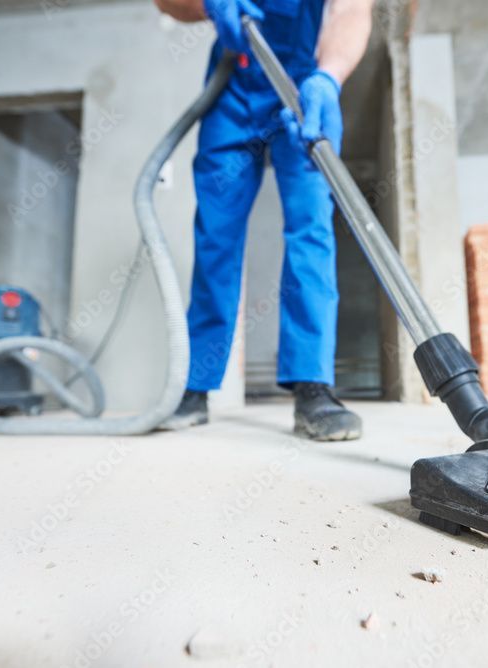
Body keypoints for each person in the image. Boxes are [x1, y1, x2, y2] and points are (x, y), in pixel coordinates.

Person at [154, 0, 374, 440]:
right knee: (216, 234)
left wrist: (329, 77)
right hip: (234, 87)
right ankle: (195, 385)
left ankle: (313, 386)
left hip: (302, 86)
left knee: (310, 228)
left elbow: (350, 9)